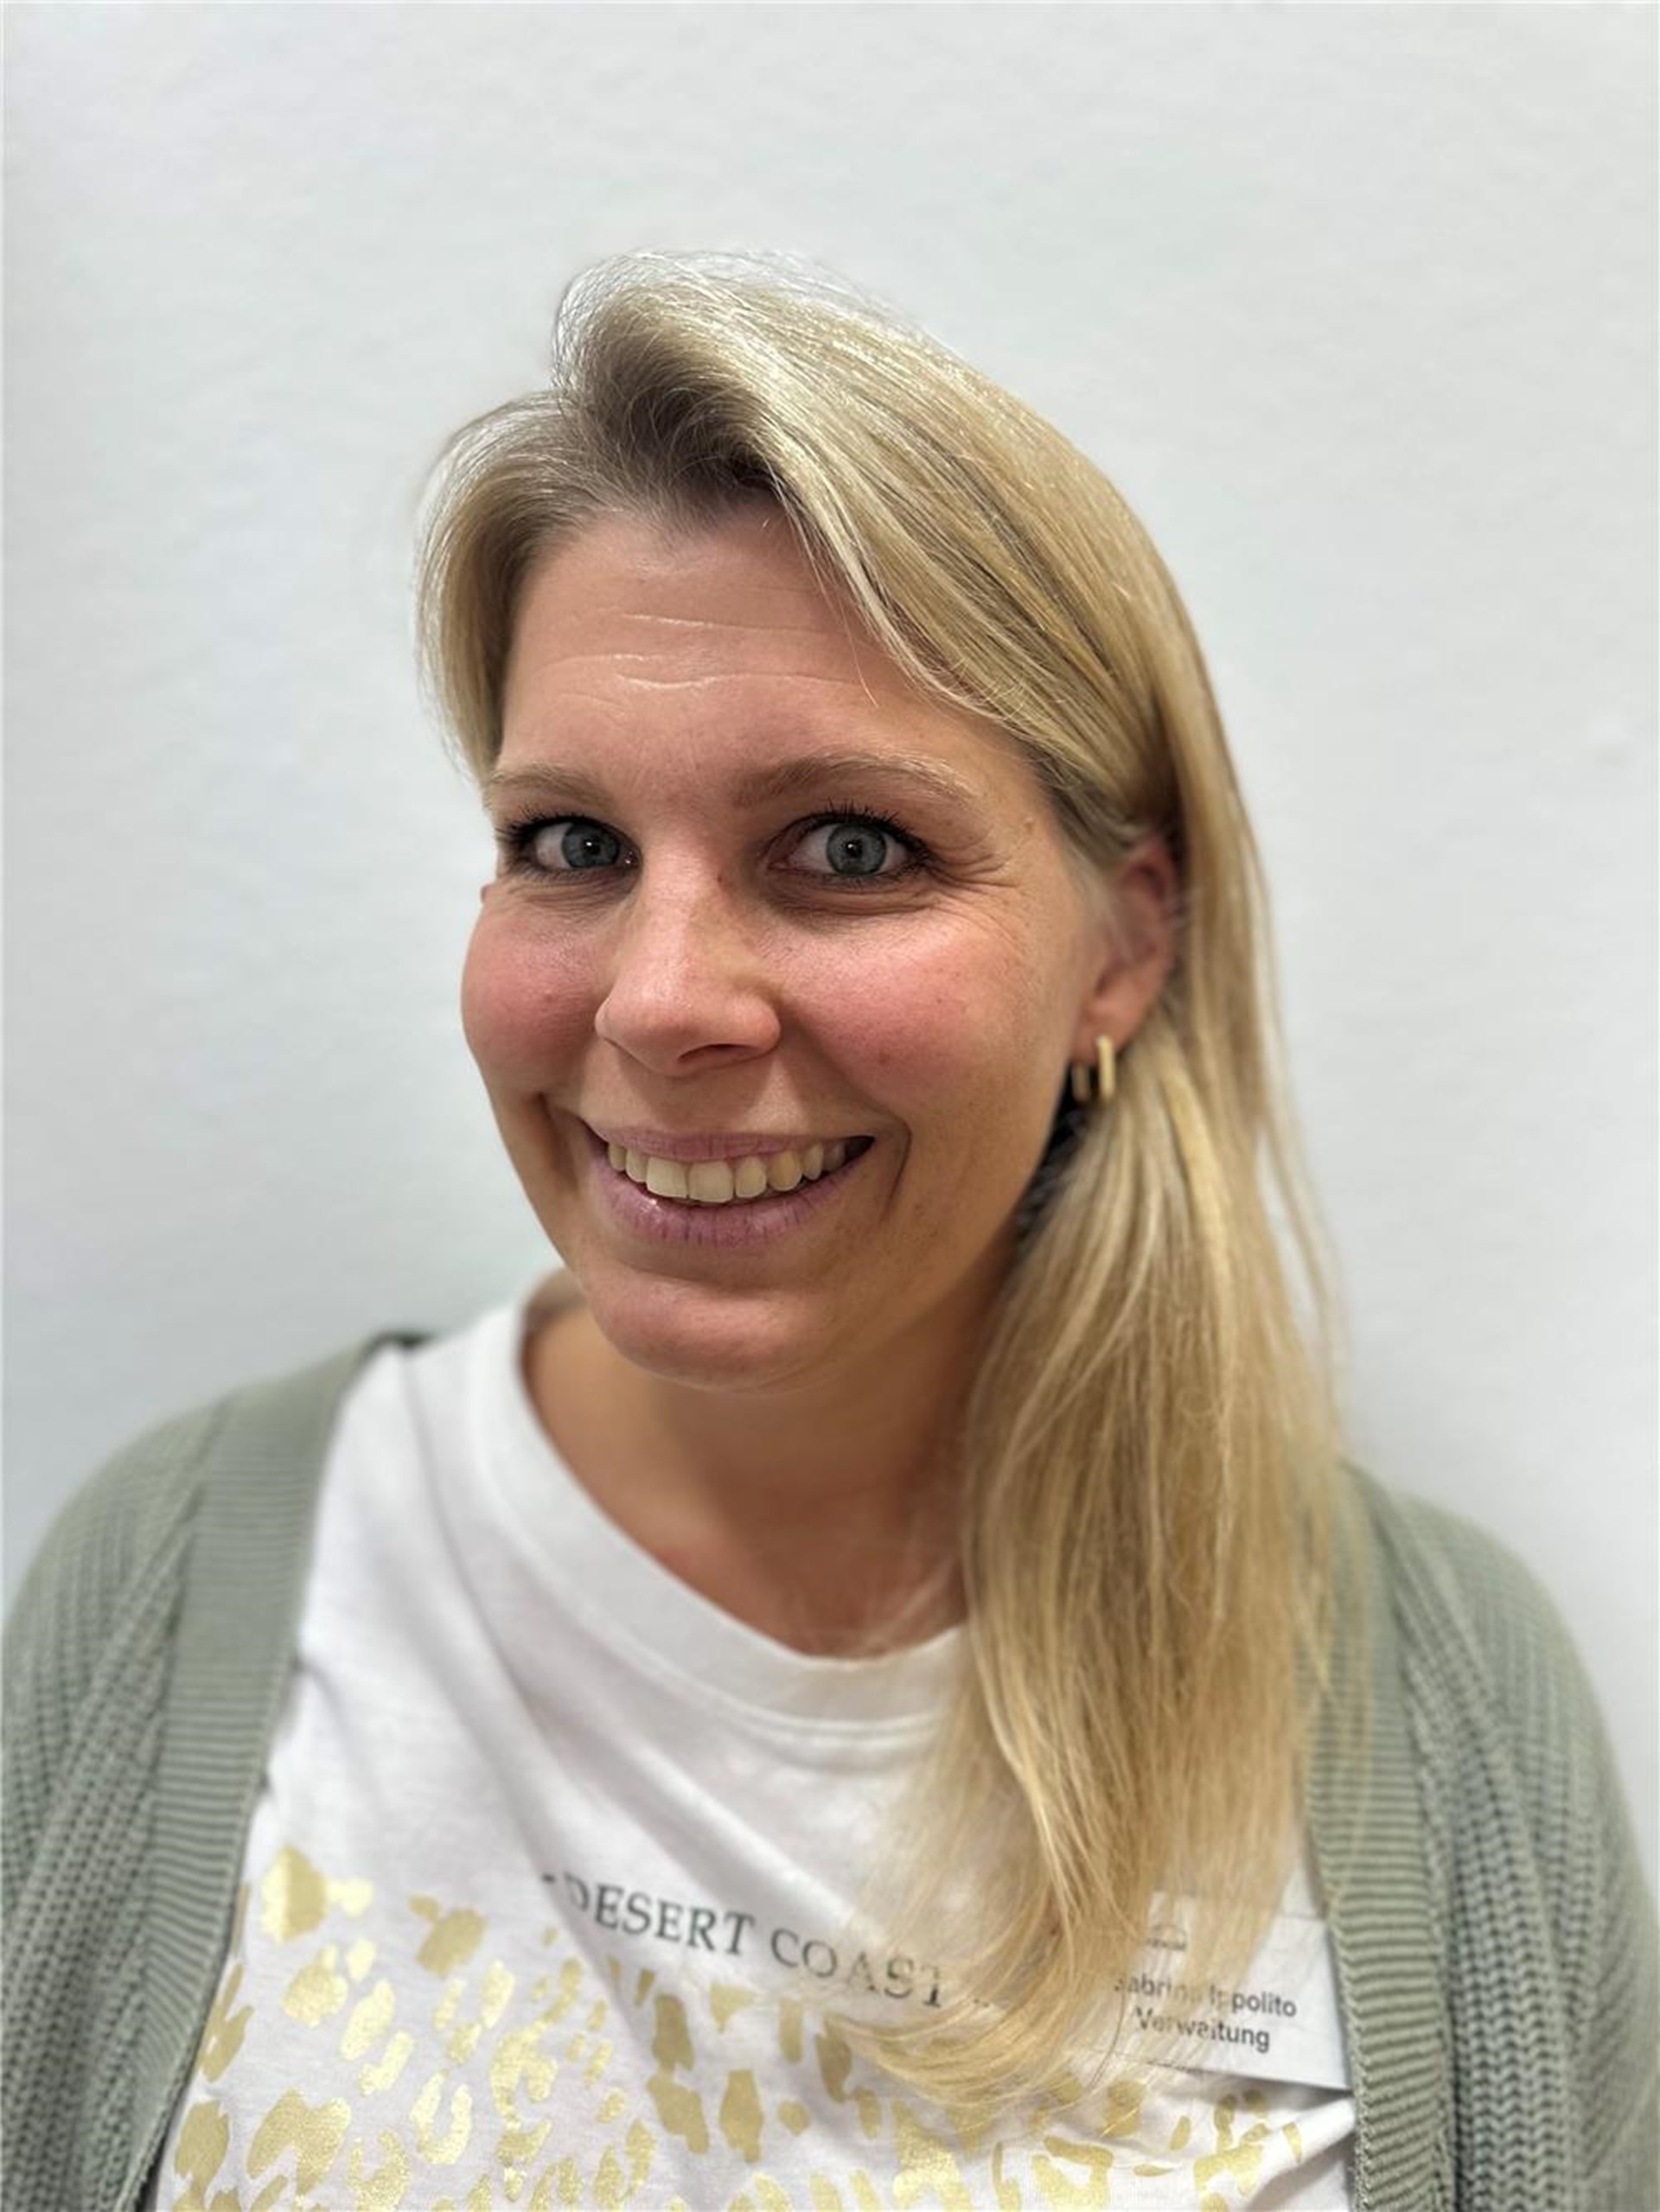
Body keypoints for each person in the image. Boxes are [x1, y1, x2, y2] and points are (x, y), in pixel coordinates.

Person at [3, 253, 1655, 2212]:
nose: (659, 1003)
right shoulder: (182, 1586)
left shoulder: (1444, 1717)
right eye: (572, 845)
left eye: (850, 847)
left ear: (1123, 945)